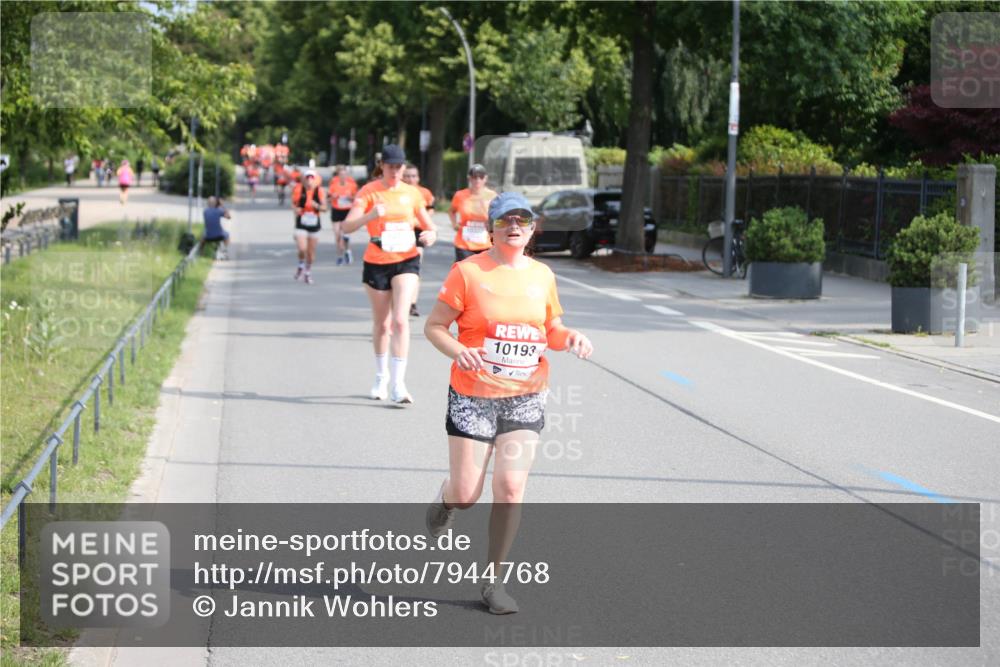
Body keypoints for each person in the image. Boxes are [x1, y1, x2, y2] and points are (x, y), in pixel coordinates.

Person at [423, 192, 593, 614]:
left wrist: (568, 337)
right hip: (473, 394)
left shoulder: (542, 275)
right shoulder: (467, 272)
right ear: (491, 229)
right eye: (505, 220)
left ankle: (493, 582)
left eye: (523, 220)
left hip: (525, 395)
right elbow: (436, 327)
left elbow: (550, 328)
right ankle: (446, 501)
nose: (514, 226)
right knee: (467, 492)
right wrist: (456, 350)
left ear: (533, 229)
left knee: (511, 487)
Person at [342, 144, 436, 403]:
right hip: (376, 261)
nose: (395, 171)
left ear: (404, 167)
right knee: (382, 323)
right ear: (382, 166)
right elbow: (347, 226)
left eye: (399, 167)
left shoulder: (412, 193)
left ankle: (398, 383)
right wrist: (370, 215)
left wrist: (430, 235)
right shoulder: (369, 192)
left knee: (401, 321)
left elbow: (430, 227)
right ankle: (381, 376)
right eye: (390, 166)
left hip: (406, 259)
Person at [401, 163, 434, 317]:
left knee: (416, 266)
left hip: (418, 231)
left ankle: (412, 302)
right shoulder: (397, 191)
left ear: (418, 177)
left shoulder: (424, 192)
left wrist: (424, 221)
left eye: (413, 176)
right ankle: (401, 299)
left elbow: (431, 210)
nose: (410, 179)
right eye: (407, 175)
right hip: (400, 232)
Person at [450, 163, 497, 262]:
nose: (477, 180)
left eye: (481, 177)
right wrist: (454, 224)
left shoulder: (492, 196)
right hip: (464, 243)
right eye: (474, 177)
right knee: (465, 271)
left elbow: (498, 215)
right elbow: (452, 211)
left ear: (485, 178)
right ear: (469, 178)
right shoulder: (460, 195)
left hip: (486, 243)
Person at [290, 169, 327, 285]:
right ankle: (301, 264)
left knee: (310, 252)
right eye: (307, 178)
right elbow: (294, 205)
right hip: (301, 222)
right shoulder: (298, 189)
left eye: (312, 178)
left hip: (314, 223)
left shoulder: (319, 191)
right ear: (304, 180)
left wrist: (317, 206)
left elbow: (325, 208)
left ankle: (307, 271)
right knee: (302, 248)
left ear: (315, 180)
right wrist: (296, 210)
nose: (309, 180)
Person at [327, 165, 358, 265]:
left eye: (345, 174)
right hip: (336, 210)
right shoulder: (333, 185)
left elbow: (357, 199)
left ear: (347, 175)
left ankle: (348, 251)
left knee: (345, 235)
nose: (343, 176)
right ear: (338, 175)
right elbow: (327, 200)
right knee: (337, 235)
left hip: (347, 211)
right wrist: (333, 198)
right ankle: (340, 255)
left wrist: (350, 198)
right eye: (341, 174)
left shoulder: (352, 185)